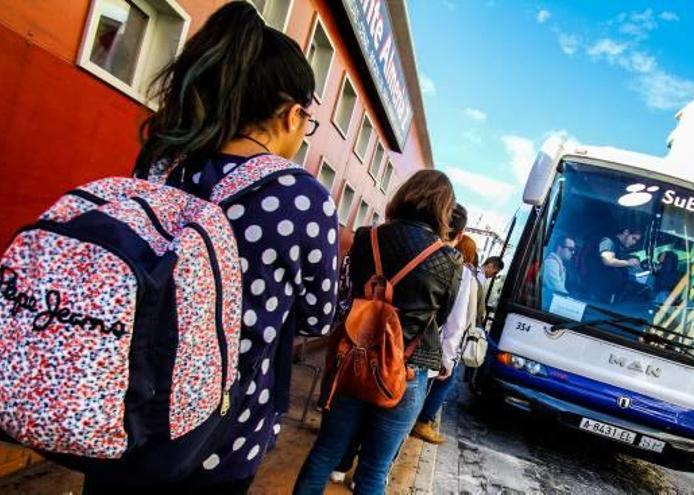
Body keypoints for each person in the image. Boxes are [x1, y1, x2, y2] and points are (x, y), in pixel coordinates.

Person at [82, 3, 339, 494]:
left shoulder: (161, 163)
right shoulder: (304, 199)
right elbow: (317, 319)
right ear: (290, 114)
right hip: (220, 438)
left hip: (124, 412)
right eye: (308, 119)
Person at [293, 170, 463, 495]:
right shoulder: (449, 260)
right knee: (374, 471)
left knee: (325, 453)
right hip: (406, 370)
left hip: (353, 360)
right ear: (444, 208)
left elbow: (348, 292)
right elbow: (440, 318)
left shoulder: (365, 237)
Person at [411, 232, 478, 445]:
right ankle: (422, 421)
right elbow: (459, 321)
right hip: (431, 347)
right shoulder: (464, 275)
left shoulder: (424, 256)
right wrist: (448, 359)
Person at [590, 227, 643, 304]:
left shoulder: (619, 247)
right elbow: (607, 260)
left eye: (636, 241)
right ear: (626, 232)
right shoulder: (608, 241)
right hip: (597, 293)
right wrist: (628, 263)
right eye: (633, 238)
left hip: (610, 294)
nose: (634, 242)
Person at [541, 236, 576, 309]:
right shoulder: (551, 263)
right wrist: (574, 303)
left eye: (574, 249)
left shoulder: (558, 264)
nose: (573, 252)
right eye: (571, 249)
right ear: (559, 248)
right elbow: (558, 290)